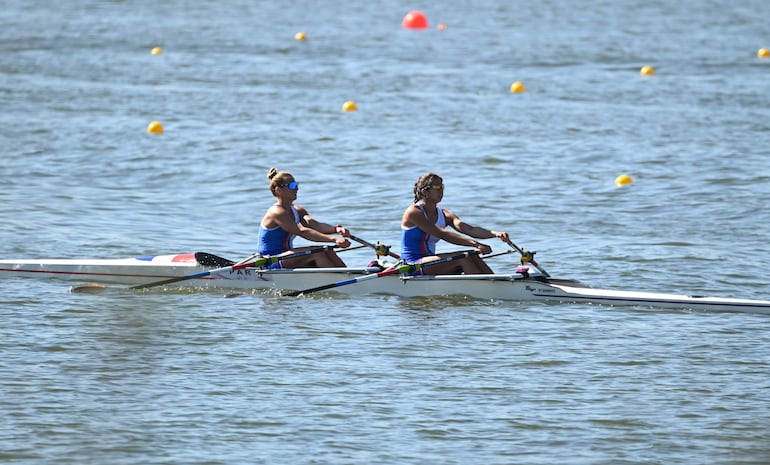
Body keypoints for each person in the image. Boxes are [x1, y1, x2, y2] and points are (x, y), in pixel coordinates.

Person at [400, 173, 510, 274]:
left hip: (430, 262)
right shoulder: (413, 212)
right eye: (437, 187)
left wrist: (495, 234)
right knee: (463, 258)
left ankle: (495, 283)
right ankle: (485, 290)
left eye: (442, 187)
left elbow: (469, 229)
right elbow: (442, 234)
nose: (441, 191)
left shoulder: (445, 214)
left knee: (473, 255)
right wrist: (476, 244)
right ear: (425, 192)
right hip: (412, 264)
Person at [258, 168, 351, 268]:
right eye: (292, 186)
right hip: (269, 261)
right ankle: (339, 280)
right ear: (278, 190)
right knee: (316, 253)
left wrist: (336, 229)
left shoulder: (298, 210)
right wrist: (334, 239)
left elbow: (314, 225)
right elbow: (301, 231)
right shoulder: (276, 212)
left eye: (296, 184)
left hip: (287, 256)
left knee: (327, 250)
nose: (297, 188)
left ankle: (349, 276)